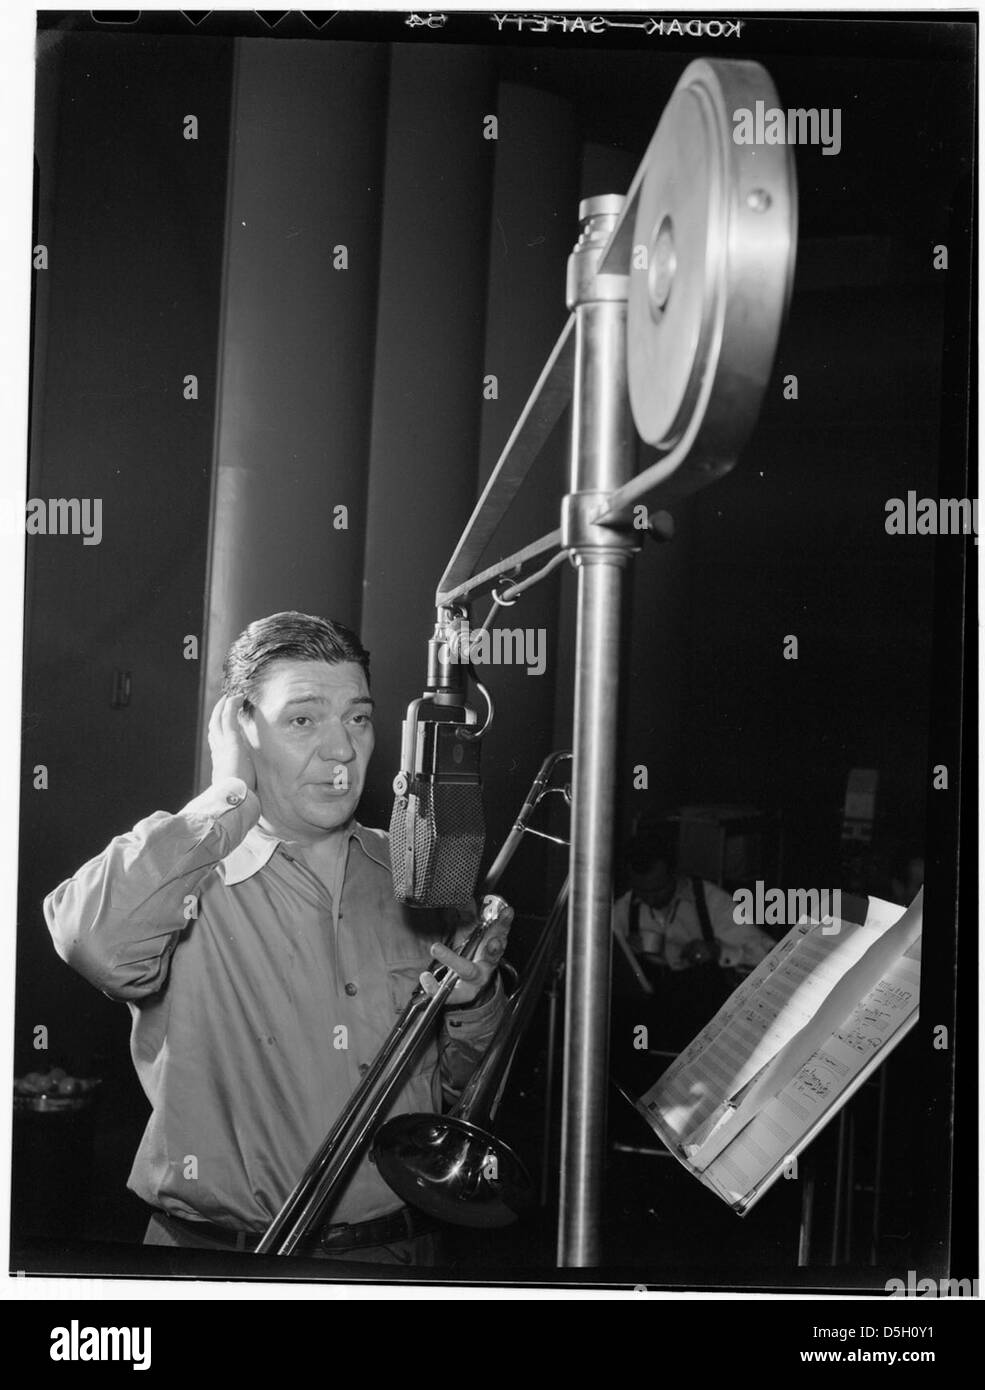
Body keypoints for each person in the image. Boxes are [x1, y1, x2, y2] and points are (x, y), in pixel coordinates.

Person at [44, 612, 511, 1265]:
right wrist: (228, 793)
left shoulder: (416, 871)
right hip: (220, 1261)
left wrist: (473, 1005)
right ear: (242, 728)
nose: (342, 750)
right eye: (302, 720)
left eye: (357, 718)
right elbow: (94, 943)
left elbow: (464, 1097)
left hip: (401, 1257)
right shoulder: (186, 869)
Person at [611, 819, 773, 1049]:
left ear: (674, 874)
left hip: (705, 1023)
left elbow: (767, 955)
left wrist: (719, 950)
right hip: (649, 1026)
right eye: (642, 891)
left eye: (658, 889)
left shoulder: (711, 900)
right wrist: (626, 956)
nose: (651, 899)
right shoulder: (624, 909)